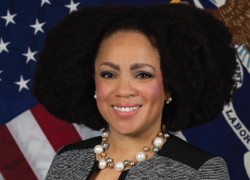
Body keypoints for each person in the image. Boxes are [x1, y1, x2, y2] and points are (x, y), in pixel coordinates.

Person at [32, 3, 237, 180]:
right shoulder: (67, 160)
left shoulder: (198, 172)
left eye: (142, 75)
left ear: (169, 87)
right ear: (92, 82)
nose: (123, 90)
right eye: (109, 74)